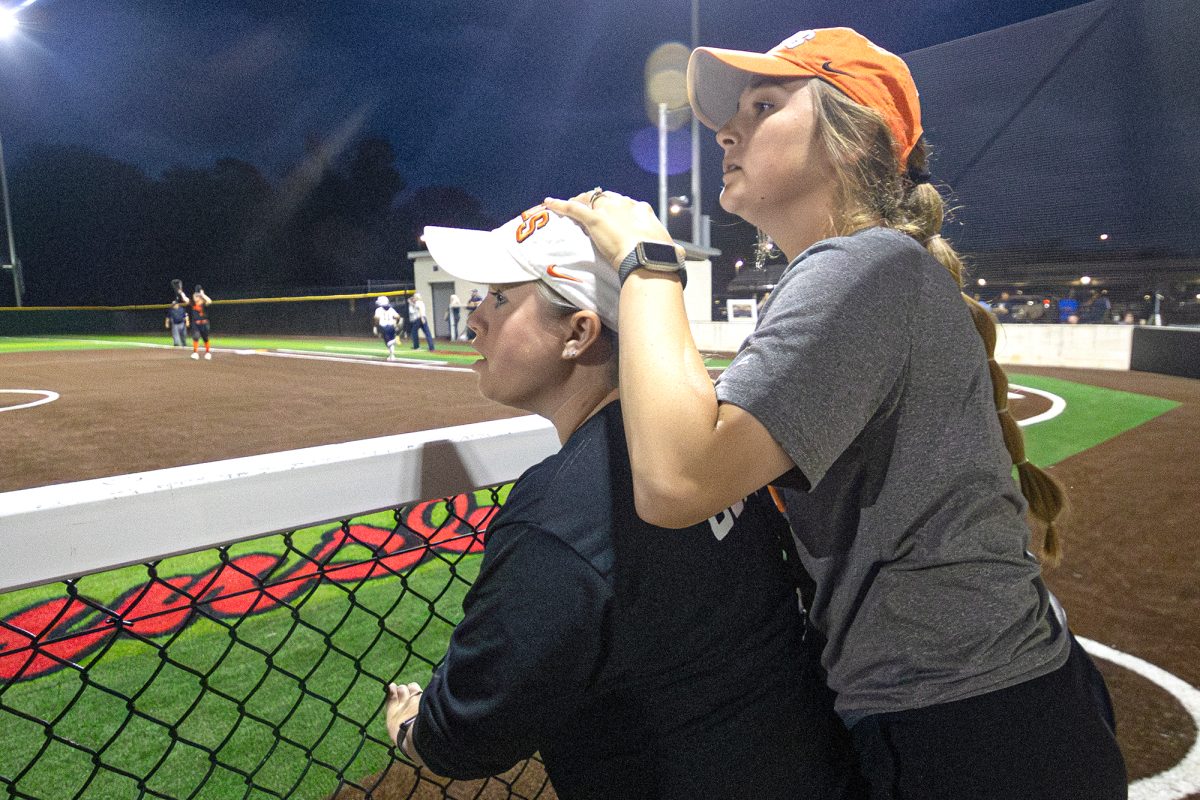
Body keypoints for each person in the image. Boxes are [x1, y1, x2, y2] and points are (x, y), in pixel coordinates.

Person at [546, 26, 1126, 800]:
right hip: (988, 710)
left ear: (857, 140)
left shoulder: (863, 266)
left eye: (764, 103)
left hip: (973, 728)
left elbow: (679, 481)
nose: (727, 129)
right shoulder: (874, 267)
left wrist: (647, 259)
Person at [384, 205, 864, 800]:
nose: (474, 319)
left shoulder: (557, 516)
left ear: (579, 333)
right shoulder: (705, 454)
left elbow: (469, 732)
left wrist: (412, 727)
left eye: (500, 300)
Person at [188, 285, 213, 360]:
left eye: (197, 296)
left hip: (204, 324)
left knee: (205, 338)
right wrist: (180, 292)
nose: (195, 297)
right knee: (195, 337)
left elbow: (209, 301)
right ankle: (195, 353)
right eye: (195, 296)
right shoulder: (193, 304)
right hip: (196, 324)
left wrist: (203, 294)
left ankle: (208, 353)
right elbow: (186, 299)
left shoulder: (204, 304)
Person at [373, 295, 402, 360]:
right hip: (391, 327)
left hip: (384, 327)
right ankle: (392, 356)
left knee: (388, 343)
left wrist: (375, 326)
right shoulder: (391, 309)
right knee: (390, 342)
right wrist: (396, 324)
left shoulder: (378, 310)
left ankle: (395, 340)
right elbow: (398, 317)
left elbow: (376, 318)